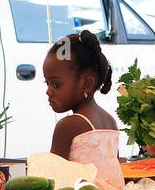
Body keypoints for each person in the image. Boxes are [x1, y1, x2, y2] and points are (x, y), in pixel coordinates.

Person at [44, 29, 118, 163]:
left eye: (56, 84)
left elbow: (54, 175)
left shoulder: (67, 126)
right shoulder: (110, 121)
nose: (48, 91)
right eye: (47, 83)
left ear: (87, 84)